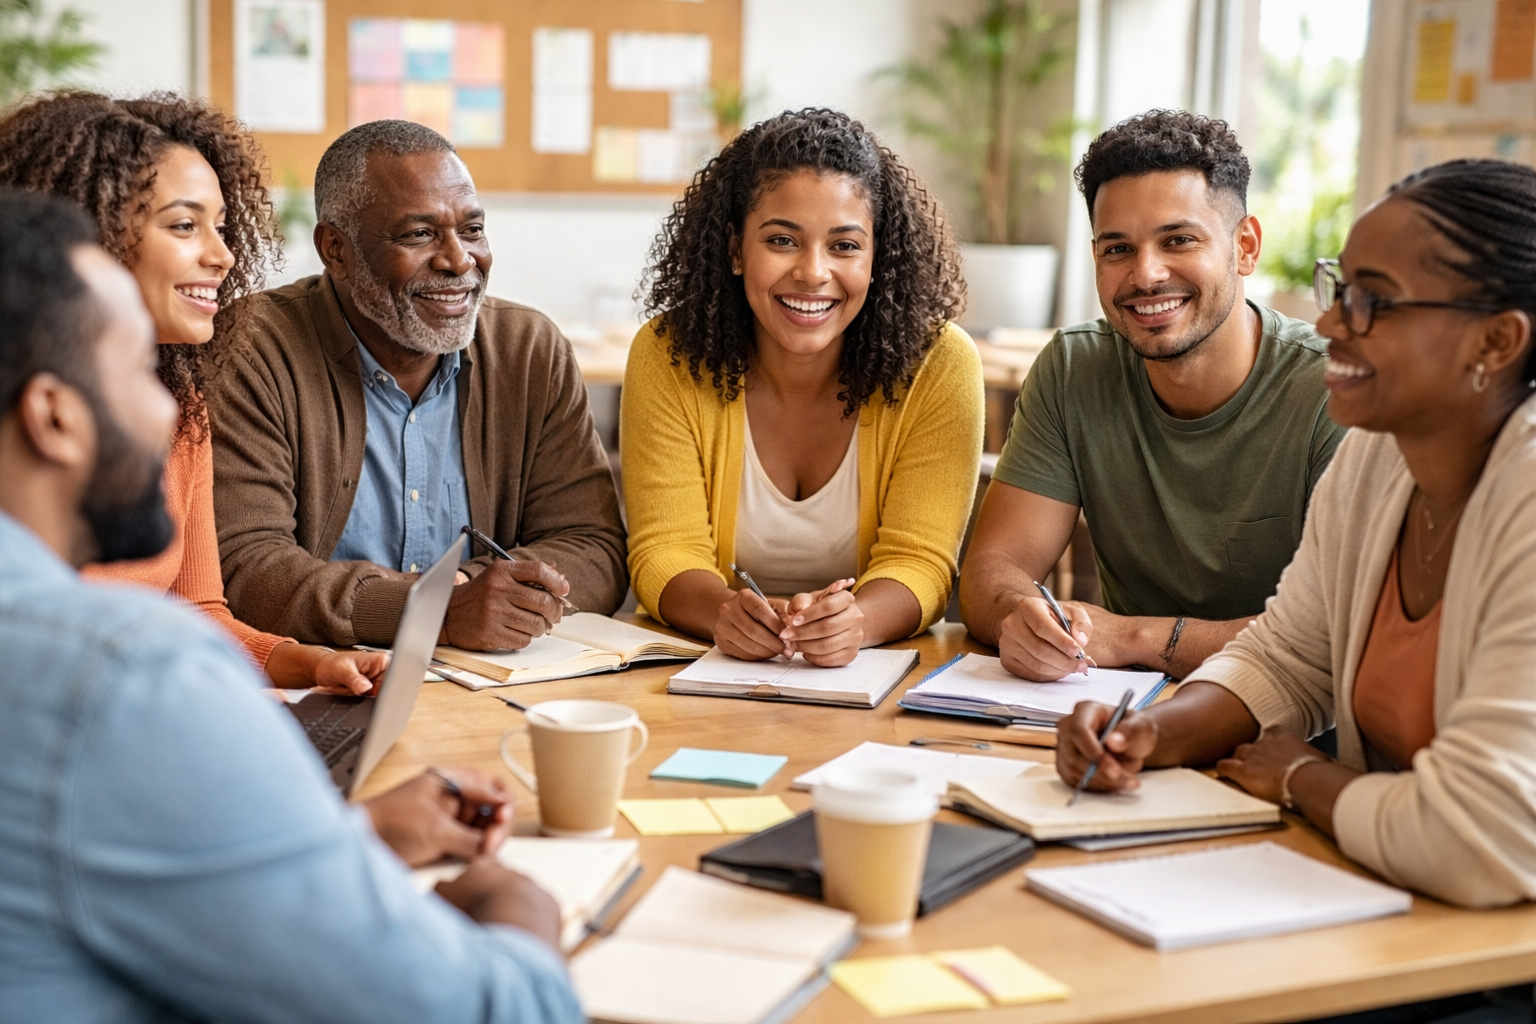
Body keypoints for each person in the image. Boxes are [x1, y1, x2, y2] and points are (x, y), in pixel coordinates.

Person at [0, 189, 581, 1022]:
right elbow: (491, 1010)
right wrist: (518, 910)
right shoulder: (123, 673)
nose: (171, 408)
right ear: (54, 417)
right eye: (136, 371)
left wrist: (344, 845)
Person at [1056, 159, 1536, 930]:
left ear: (1497, 340)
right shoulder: (1379, 456)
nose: (1330, 325)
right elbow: (1286, 655)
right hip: (1387, 900)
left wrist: (1303, 779)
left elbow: (1481, 836)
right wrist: (1154, 731)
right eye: (1339, 290)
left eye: (1373, 301)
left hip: (1494, 952)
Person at [0, 91, 383, 694]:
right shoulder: (21, 422)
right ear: (89, 234)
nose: (223, 255)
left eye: (222, 227)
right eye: (184, 225)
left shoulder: (179, 409)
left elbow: (197, 609)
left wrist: (300, 661)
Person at [960, 110, 1348, 681]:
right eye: (1117, 249)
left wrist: (1140, 636)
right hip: (1115, 715)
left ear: (1245, 247)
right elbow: (995, 566)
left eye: (1179, 240)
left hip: (1295, 735)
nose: (1146, 275)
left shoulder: (1333, 390)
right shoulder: (1074, 369)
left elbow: (1339, 630)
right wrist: (1020, 615)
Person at [213, 120, 627, 651]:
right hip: (322, 681)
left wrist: (479, 600)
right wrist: (433, 610)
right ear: (335, 249)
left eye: (472, 230)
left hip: (491, 682)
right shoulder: (252, 348)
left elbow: (593, 547)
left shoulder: (530, 349)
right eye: (419, 234)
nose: (459, 260)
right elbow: (245, 567)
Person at [621, 108, 982, 667]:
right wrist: (722, 612)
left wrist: (855, 623)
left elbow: (922, 561)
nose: (814, 272)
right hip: (706, 671)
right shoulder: (669, 354)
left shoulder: (937, 366)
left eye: (844, 246)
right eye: (783, 240)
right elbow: (664, 549)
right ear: (736, 250)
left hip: (872, 677)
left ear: (876, 257)